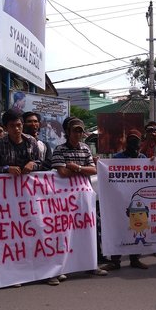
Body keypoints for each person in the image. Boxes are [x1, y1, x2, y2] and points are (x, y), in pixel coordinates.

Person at [51, 117, 109, 278]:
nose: (78, 134)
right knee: (64, 232)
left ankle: (90, 264)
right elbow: (61, 173)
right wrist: (82, 169)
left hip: (83, 197)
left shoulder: (85, 148)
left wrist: (76, 167)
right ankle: (62, 268)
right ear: (67, 132)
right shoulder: (59, 149)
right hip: (64, 199)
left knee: (88, 232)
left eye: (80, 131)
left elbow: (93, 170)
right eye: (75, 130)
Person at [101, 129, 149, 271]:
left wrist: (153, 162)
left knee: (136, 227)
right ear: (126, 142)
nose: (133, 143)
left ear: (140, 143)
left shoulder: (143, 159)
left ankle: (135, 258)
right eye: (131, 140)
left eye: (136, 140)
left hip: (136, 200)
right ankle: (115, 260)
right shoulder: (117, 158)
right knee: (118, 228)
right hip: (119, 199)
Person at [0, 109, 42, 175]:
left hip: (28, 184)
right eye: (12, 126)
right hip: (6, 184)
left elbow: (40, 163)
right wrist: (7, 169)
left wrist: (33, 164)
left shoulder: (31, 141)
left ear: (22, 125)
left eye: (18, 125)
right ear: (5, 128)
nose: (16, 129)